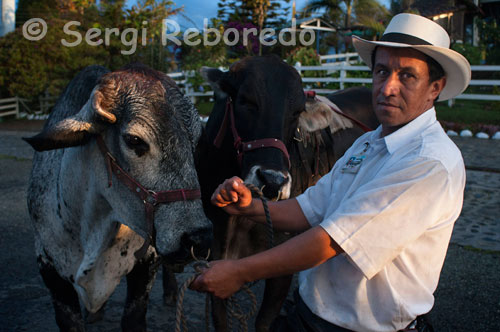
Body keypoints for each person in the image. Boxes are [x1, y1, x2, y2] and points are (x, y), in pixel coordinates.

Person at [190, 13, 471, 332]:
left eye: (407, 76)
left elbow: (333, 241)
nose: (388, 88)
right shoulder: (368, 142)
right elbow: (310, 208)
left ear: (435, 88)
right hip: (309, 315)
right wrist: (250, 207)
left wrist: (240, 272)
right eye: (382, 71)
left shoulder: (429, 162)